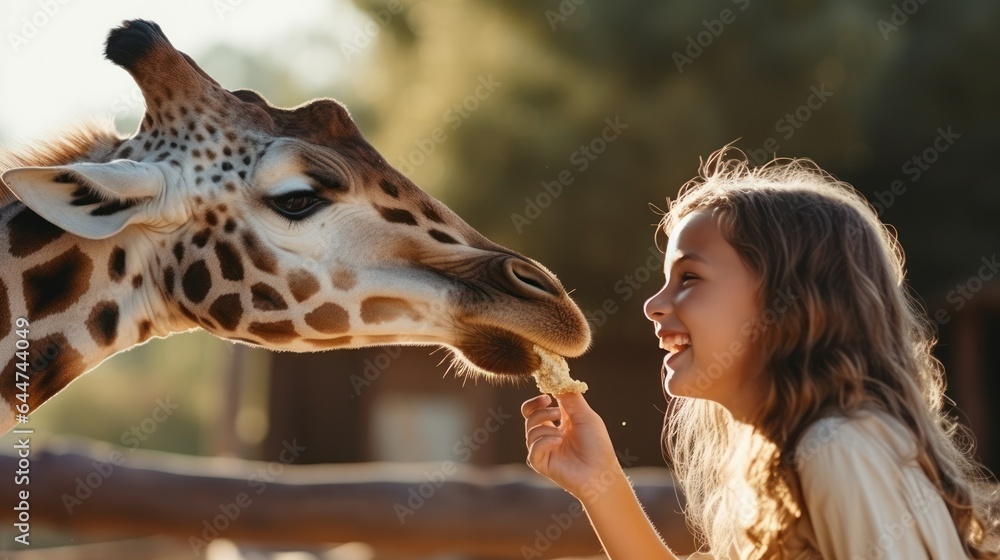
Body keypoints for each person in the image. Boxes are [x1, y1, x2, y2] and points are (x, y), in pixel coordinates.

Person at [522, 147, 1000, 559]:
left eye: (689, 278)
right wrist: (600, 482)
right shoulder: (814, 450)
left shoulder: (837, 450)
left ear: (786, 300)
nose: (653, 304)